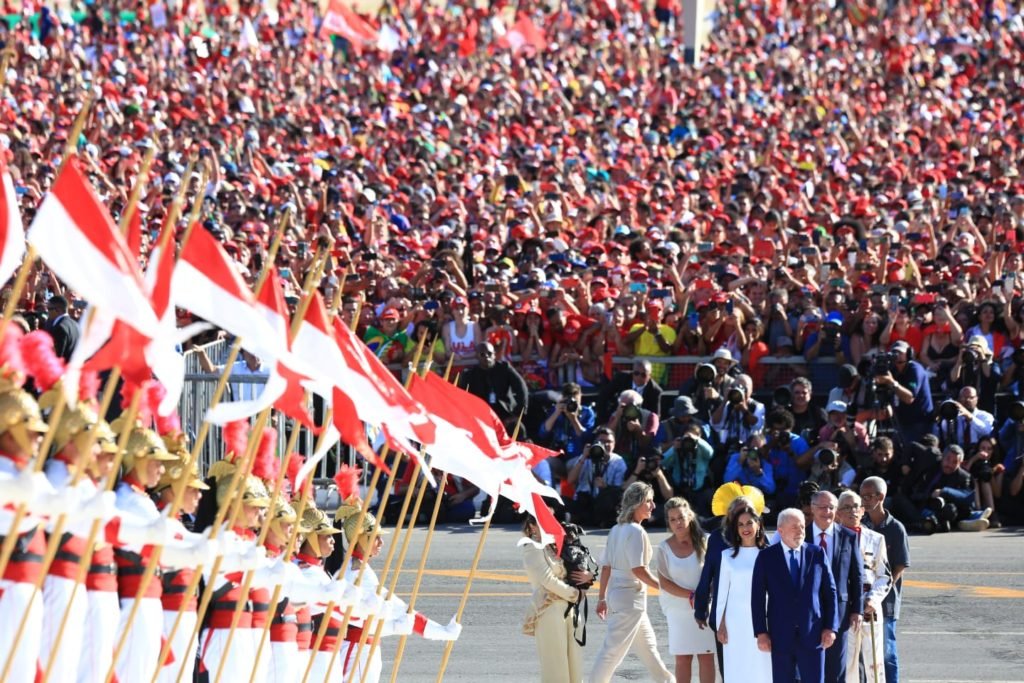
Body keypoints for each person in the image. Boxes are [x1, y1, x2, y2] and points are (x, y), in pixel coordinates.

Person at [591, 482, 674, 682]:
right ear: (636, 503)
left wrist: (602, 598)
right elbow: (639, 570)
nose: (653, 506)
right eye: (648, 501)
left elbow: (606, 567)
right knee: (611, 652)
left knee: (649, 648)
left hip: (620, 597)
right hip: (630, 600)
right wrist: (665, 587)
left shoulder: (616, 529)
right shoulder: (636, 532)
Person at [751, 508, 839, 683]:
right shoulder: (766, 557)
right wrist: (761, 632)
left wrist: (831, 627)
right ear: (780, 530)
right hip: (780, 636)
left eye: (802, 527)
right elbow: (757, 597)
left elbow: (830, 592)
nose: (800, 531)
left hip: (813, 634)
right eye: (794, 527)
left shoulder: (817, 553)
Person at [519, 513, 592, 683]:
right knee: (556, 667)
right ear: (532, 527)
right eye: (543, 521)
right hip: (549, 609)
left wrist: (588, 577)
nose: (548, 524)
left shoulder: (558, 545)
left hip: (570, 610)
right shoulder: (532, 547)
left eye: (551, 520)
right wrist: (575, 594)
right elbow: (548, 580)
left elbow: (577, 570)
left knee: (574, 665)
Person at [806, 491, 864, 683]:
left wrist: (857, 609)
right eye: (822, 507)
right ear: (812, 509)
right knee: (810, 668)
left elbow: (856, 576)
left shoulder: (848, 536)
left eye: (831, 507)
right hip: (807, 613)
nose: (827, 511)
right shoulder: (800, 535)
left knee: (836, 670)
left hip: (840, 613)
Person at [656, 498, 715, 683]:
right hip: (677, 610)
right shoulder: (664, 548)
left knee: (706, 656)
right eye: (672, 519)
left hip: (704, 608)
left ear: (689, 516)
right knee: (682, 658)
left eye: (680, 517)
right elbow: (664, 582)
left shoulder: (706, 541)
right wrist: (691, 595)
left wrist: (703, 597)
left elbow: (716, 573)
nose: (677, 523)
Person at [714, 497, 771, 683]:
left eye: (749, 522)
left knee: (763, 667)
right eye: (740, 524)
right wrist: (720, 625)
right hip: (735, 623)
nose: (745, 527)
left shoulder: (771, 554)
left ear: (758, 524)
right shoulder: (727, 556)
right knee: (737, 668)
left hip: (763, 622)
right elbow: (721, 594)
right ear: (736, 529)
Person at [836, 491, 890, 683]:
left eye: (856, 507)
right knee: (848, 662)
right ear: (838, 513)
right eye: (846, 507)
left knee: (874, 662)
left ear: (862, 510)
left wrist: (873, 599)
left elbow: (885, 575)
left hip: (870, 608)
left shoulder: (876, 539)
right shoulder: (834, 538)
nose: (852, 511)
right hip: (844, 609)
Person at [860, 477, 910, 683]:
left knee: (887, 650)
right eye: (861, 496)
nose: (864, 501)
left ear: (881, 497)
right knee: (866, 651)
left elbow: (900, 565)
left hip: (886, 601)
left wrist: (883, 588)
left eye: (868, 496)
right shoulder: (861, 526)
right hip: (865, 598)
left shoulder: (895, 528)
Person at [458, 341, 530, 432]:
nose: (486, 357)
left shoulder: (504, 368)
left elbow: (522, 388)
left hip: (506, 414)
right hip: (481, 417)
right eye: (482, 354)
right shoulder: (469, 375)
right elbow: (461, 398)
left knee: (519, 429)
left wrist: (518, 414)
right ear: (477, 356)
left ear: (494, 355)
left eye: (489, 353)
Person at [566, 428, 628, 528]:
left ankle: (587, 519)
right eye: (602, 442)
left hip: (604, 502)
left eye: (609, 442)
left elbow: (619, 490)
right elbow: (570, 480)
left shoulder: (618, 461)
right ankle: (580, 518)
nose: (606, 445)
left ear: (614, 443)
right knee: (566, 501)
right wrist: (584, 456)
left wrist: (606, 487)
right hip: (585, 500)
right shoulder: (586, 457)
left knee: (610, 498)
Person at [601, 359, 664, 423]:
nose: (639, 377)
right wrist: (603, 420)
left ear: (649, 376)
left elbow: (655, 416)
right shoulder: (621, 378)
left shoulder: (655, 391)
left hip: (640, 422)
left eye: (643, 375)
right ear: (632, 372)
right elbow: (604, 396)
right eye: (636, 373)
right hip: (618, 416)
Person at [44, 295, 79, 360]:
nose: (47, 312)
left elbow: (56, 358)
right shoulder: (76, 325)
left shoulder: (60, 328)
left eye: (49, 309)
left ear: (58, 310)